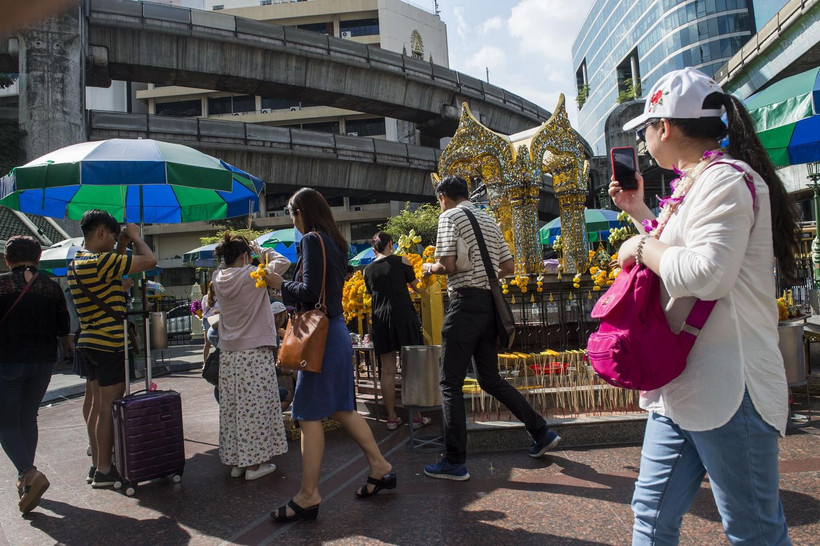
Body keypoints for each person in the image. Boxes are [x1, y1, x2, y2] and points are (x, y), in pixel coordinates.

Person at [612, 67, 795, 545]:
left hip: (730, 387)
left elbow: (706, 275)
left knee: (754, 531)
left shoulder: (726, 180)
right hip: (682, 382)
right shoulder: (696, 182)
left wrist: (638, 249)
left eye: (646, 128)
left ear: (664, 128)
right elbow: (677, 251)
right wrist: (640, 215)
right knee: (650, 514)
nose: (647, 138)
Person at [266, 188, 396, 522]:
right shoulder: (336, 242)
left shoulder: (311, 240)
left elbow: (309, 291)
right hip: (334, 331)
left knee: (308, 412)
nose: (292, 220)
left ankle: (309, 494)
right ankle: (380, 467)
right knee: (341, 407)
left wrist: (278, 282)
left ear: (301, 212)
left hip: (319, 336)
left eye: (292, 213)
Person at [421, 176, 561, 481]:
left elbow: (446, 264)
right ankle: (540, 431)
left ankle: (455, 460)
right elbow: (508, 267)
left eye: (438, 199)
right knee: (490, 379)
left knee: (449, 383)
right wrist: (484, 276)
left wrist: (429, 268)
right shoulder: (487, 218)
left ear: (443, 195)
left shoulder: (449, 216)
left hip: (464, 305)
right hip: (490, 306)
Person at [68, 211, 157, 489]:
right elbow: (150, 261)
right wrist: (135, 237)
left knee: (97, 406)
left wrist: (121, 244)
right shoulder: (101, 261)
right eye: (113, 235)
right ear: (102, 232)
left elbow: (113, 267)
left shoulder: (77, 262)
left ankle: (97, 464)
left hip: (90, 341)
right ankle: (106, 470)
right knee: (108, 407)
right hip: (109, 343)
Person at [0, 235, 70, 513]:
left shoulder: (1, 285)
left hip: (7, 362)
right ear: (38, 257)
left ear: (8, 259)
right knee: (28, 417)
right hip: (43, 363)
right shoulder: (52, 288)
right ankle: (25, 480)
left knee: (4, 422)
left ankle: (29, 473)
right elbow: (63, 328)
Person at [212, 234, 290, 481]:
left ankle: (238, 461)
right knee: (255, 409)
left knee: (234, 408)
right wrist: (260, 250)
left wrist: (247, 254)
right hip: (254, 351)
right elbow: (283, 261)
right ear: (245, 256)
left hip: (229, 353)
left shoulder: (218, 278)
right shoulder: (253, 275)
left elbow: (225, 267)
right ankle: (254, 466)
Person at [363, 231, 431, 431]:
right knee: (411, 368)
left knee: (387, 370)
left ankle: (391, 417)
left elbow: (375, 292)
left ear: (374, 249)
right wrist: (427, 278)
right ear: (390, 243)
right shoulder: (403, 261)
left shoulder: (367, 270)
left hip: (381, 320)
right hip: (404, 317)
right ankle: (416, 416)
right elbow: (418, 288)